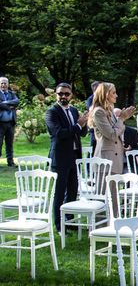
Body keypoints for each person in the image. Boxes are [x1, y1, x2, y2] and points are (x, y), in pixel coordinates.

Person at [45, 82, 89, 232]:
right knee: (59, 192)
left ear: (71, 95)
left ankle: (69, 221)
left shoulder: (74, 110)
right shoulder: (51, 112)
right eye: (60, 94)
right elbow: (59, 134)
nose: (63, 96)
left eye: (66, 94)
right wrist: (78, 125)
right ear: (56, 95)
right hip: (60, 157)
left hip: (74, 156)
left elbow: (81, 133)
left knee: (72, 190)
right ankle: (58, 225)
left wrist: (85, 123)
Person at [89, 82, 136, 175]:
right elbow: (112, 134)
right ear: (105, 94)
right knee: (104, 190)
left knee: (114, 190)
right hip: (105, 161)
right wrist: (122, 118)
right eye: (114, 93)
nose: (117, 95)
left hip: (115, 159)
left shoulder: (109, 111)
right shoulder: (99, 112)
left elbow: (116, 132)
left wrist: (121, 147)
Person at [0, 77, 19, 167]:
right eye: (1, 83)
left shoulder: (12, 93)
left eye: (5, 83)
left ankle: (10, 162)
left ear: (8, 84)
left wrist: (5, 102)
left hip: (10, 123)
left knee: (9, 144)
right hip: (0, 123)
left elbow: (17, 101)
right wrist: (9, 106)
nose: (3, 85)